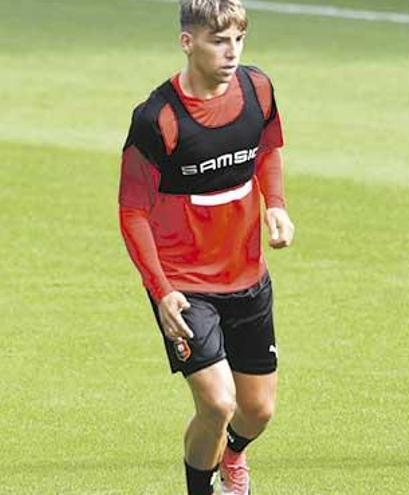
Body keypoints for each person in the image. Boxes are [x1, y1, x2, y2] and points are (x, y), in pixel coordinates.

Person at [118, 1, 293, 493]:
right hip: (185, 286)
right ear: (187, 42)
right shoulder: (158, 119)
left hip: (248, 279)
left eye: (238, 39)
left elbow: (268, 149)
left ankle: (232, 456)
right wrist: (161, 290)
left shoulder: (258, 89)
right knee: (218, 402)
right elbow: (132, 210)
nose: (231, 51)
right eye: (219, 41)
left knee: (257, 410)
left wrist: (275, 205)